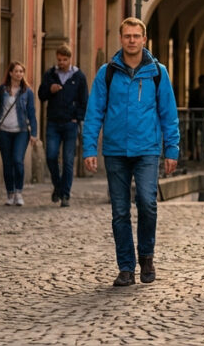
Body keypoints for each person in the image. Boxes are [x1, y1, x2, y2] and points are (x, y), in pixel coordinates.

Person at [82, 17, 180, 287]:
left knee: (148, 203)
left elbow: (168, 114)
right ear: (121, 38)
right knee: (120, 211)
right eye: (127, 36)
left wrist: (171, 149)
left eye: (136, 36)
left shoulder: (157, 72)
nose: (132, 40)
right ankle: (126, 267)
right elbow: (94, 112)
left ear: (144, 39)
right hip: (115, 150)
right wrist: (89, 147)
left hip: (148, 149)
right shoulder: (107, 73)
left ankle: (146, 256)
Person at [38, 45, 88, 207]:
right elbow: (41, 94)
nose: (61, 63)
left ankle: (65, 194)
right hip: (53, 122)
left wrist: (77, 117)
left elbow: (84, 100)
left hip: (70, 124)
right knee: (51, 156)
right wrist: (50, 89)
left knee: (68, 160)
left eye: (64, 60)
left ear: (70, 59)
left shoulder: (78, 76)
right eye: (59, 60)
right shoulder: (50, 74)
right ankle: (58, 186)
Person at [0, 62, 39, 207]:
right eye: (16, 71)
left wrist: (34, 133)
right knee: (7, 164)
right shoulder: (1, 90)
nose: (19, 74)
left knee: (17, 160)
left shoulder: (27, 92)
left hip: (21, 131)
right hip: (4, 131)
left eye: (21, 71)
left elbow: (31, 113)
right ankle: (10, 193)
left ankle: (18, 192)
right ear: (10, 73)